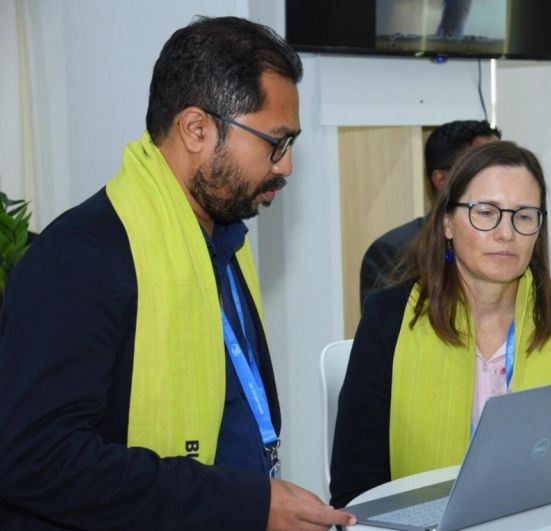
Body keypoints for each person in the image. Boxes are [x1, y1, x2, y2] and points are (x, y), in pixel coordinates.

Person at [0, 16, 354, 531]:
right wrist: (240, 503)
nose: (286, 166)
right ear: (196, 129)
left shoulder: (223, 242)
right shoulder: (78, 258)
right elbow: (33, 458)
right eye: (275, 143)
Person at [331, 141, 551, 508]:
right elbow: (355, 488)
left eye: (524, 216)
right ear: (447, 223)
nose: (506, 233)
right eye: (486, 213)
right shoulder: (388, 318)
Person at [359, 120, 501, 309]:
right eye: (484, 170)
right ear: (441, 179)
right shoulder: (393, 253)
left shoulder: (512, 241)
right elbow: (388, 333)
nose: (501, 179)